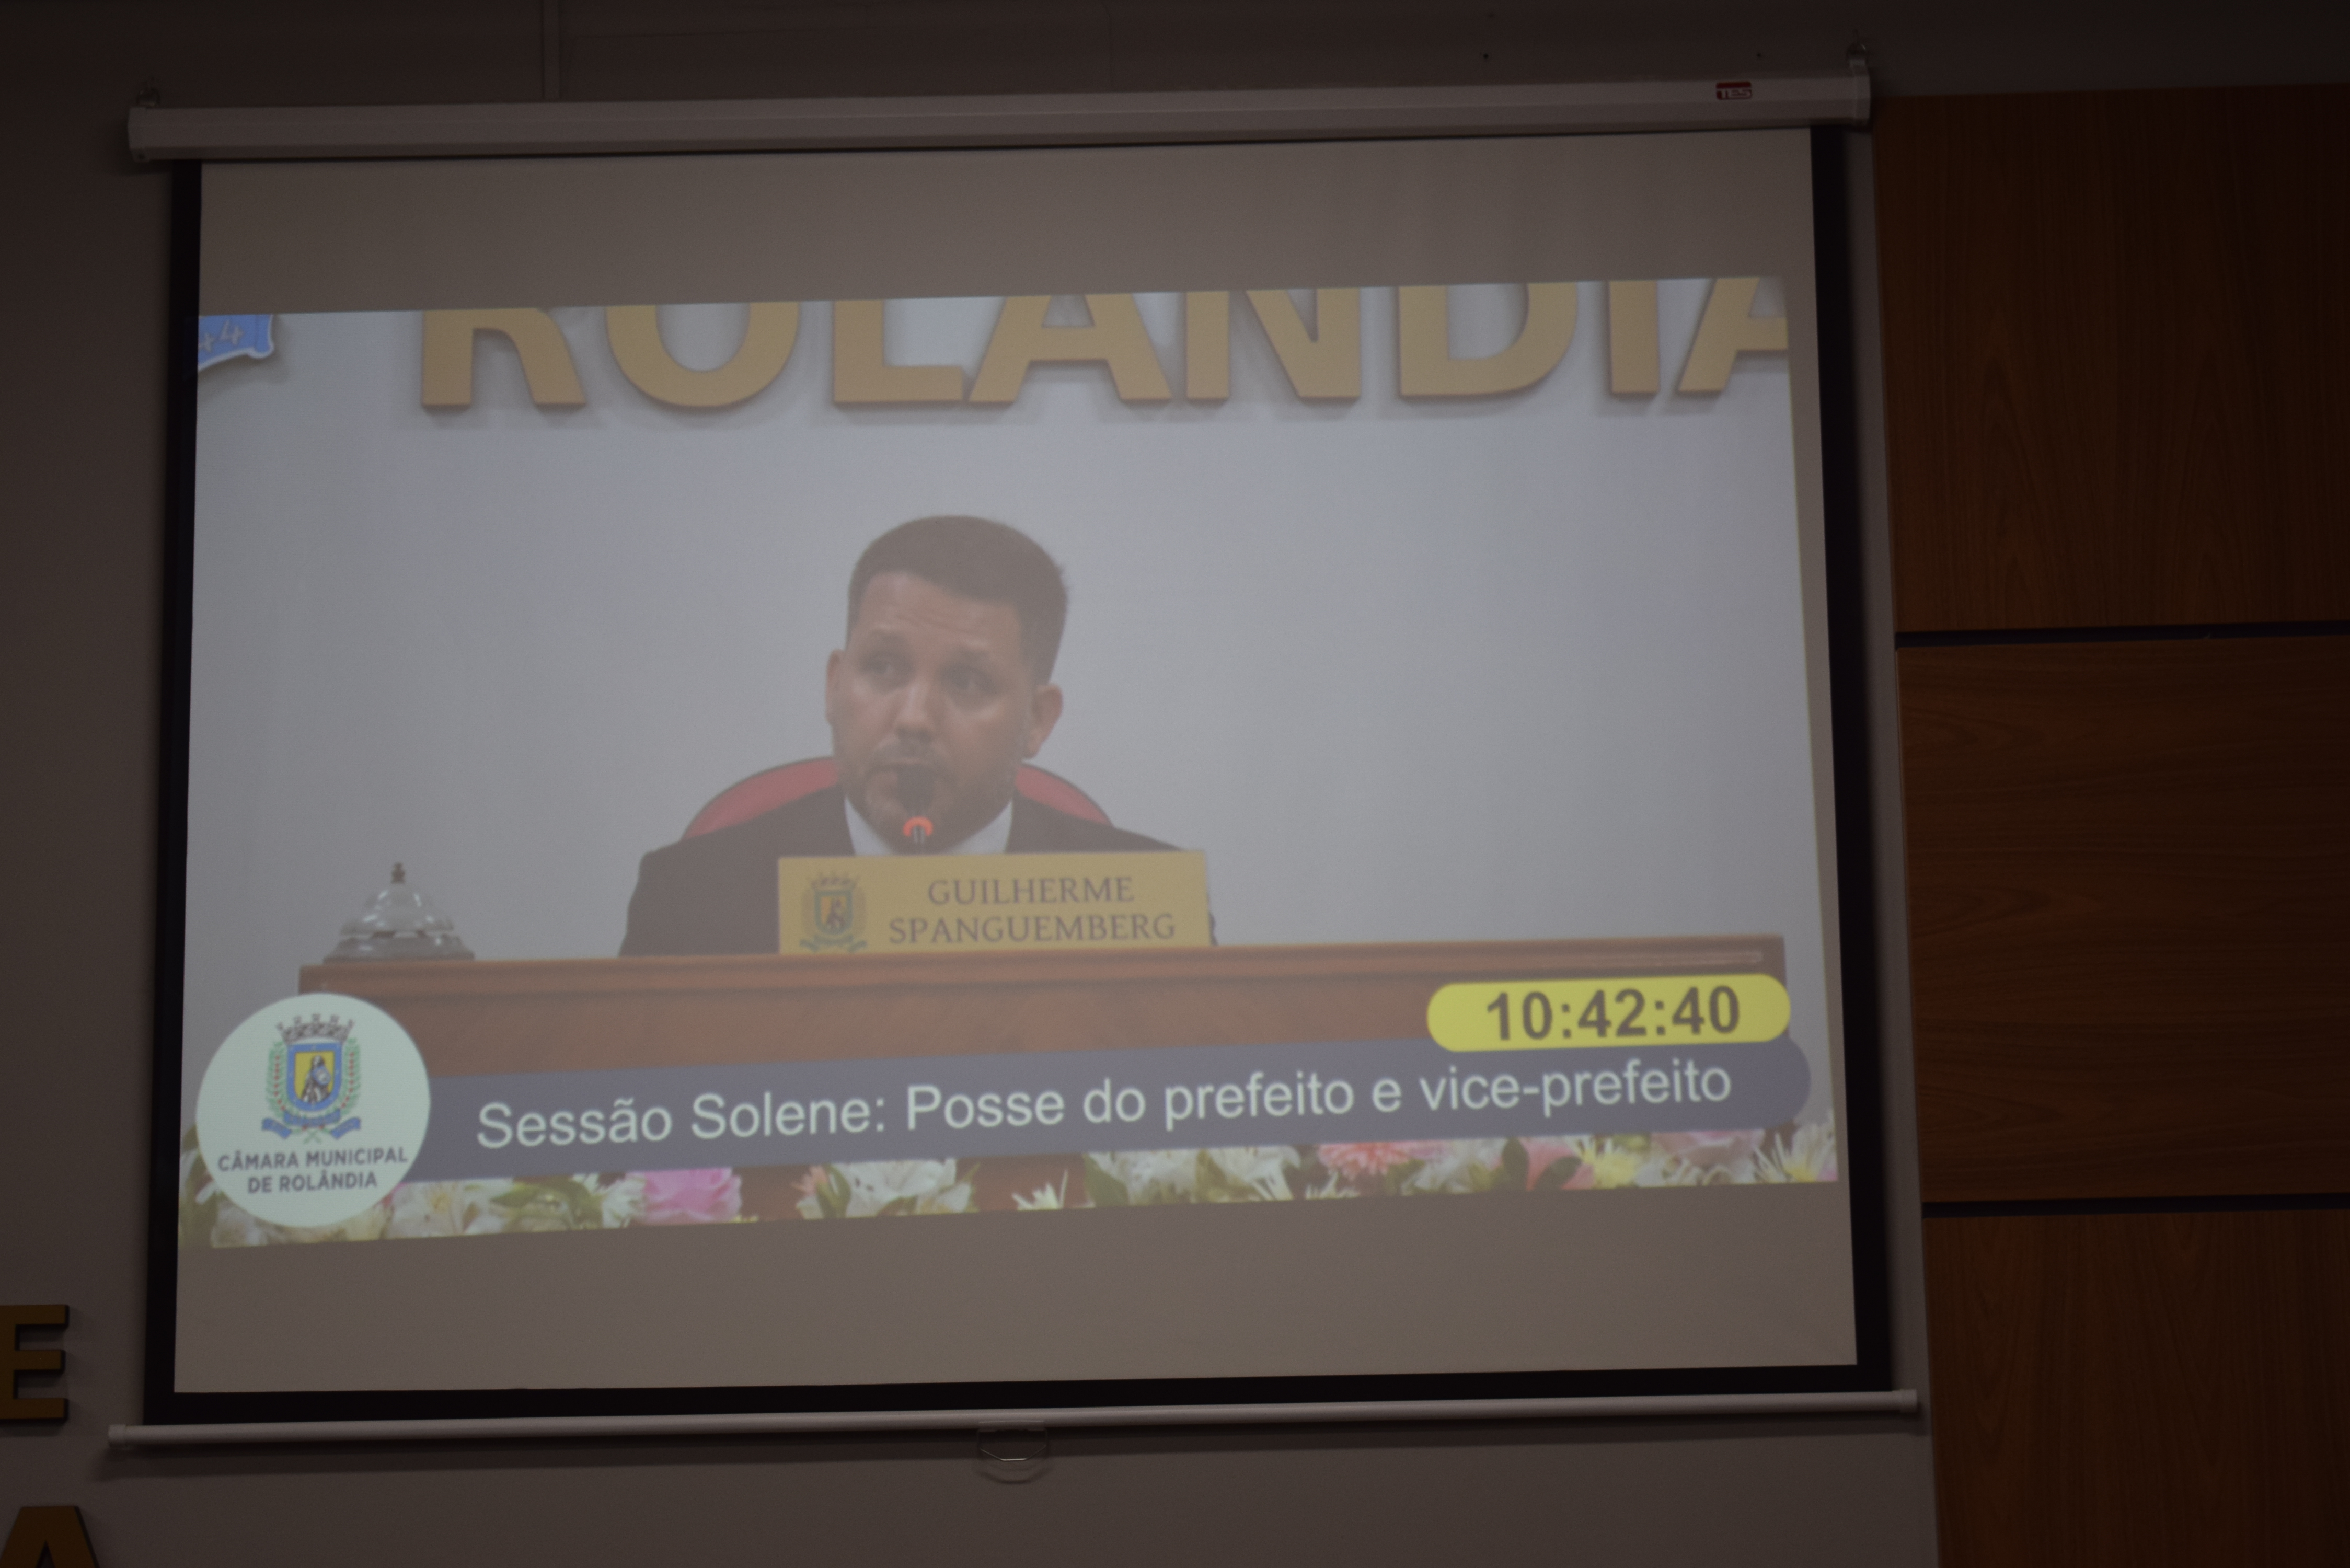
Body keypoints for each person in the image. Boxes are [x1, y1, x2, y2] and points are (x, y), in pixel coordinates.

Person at [621, 515, 1174, 955]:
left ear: (1037, 719)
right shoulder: (691, 900)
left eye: (966, 681)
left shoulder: (1146, 906)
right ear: (835, 685)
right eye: (883, 668)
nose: (913, 717)